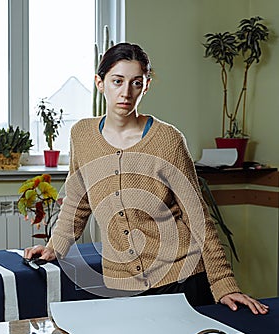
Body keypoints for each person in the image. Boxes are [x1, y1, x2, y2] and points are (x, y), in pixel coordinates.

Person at [24, 42, 268, 315]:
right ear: (100, 83)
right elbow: (77, 202)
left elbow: (196, 215)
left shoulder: (168, 140)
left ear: (146, 85)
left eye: (136, 83)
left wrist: (224, 283)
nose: (126, 92)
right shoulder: (82, 135)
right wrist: (53, 247)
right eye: (117, 81)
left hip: (180, 277)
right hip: (122, 282)